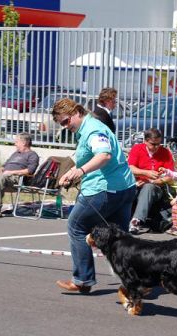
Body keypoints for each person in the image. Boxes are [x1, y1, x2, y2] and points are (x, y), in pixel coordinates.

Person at [51, 97, 136, 293]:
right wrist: (73, 171)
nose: (65, 126)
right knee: (120, 239)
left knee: (76, 226)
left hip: (103, 190)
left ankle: (83, 279)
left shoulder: (93, 130)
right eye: (61, 124)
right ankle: (134, 281)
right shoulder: (88, 127)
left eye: (66, 121)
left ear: (77, 113)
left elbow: (103, 155)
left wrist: (80, 172)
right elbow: (90, 155)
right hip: (124, 187)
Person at [127, 128, 174, 234]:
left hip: (157, 188)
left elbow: (171, 176)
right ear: (145, 141)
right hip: (137, 184)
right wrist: (145, 173)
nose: (156, 147)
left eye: (159, 144)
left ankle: (136, 221)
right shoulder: (137, 149)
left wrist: (159, 180)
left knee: (148, 187)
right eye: (153, 144)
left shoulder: (165, 152)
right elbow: (130, 168)